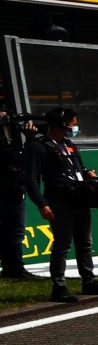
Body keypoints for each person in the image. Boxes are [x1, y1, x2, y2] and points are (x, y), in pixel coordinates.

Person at [23, 108, 98, 302]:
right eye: (72, 123)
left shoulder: (69, 144)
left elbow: (78, 169)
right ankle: (59, 286)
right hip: (58, 201)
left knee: (85, 243)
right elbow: (31, 179)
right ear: (60, 123)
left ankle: (88, 281)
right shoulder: (38, 147)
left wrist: (91, 176)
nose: (75, 127)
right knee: (62, 245)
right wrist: (41, 204)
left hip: (80, 198)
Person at [0, 110, 32, 281]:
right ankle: (15, 269)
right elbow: (16, 160)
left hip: (11, 185)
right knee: (14, 230)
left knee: (9, 230)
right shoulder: (7, 145)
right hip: (10, 186)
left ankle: (11, 268)